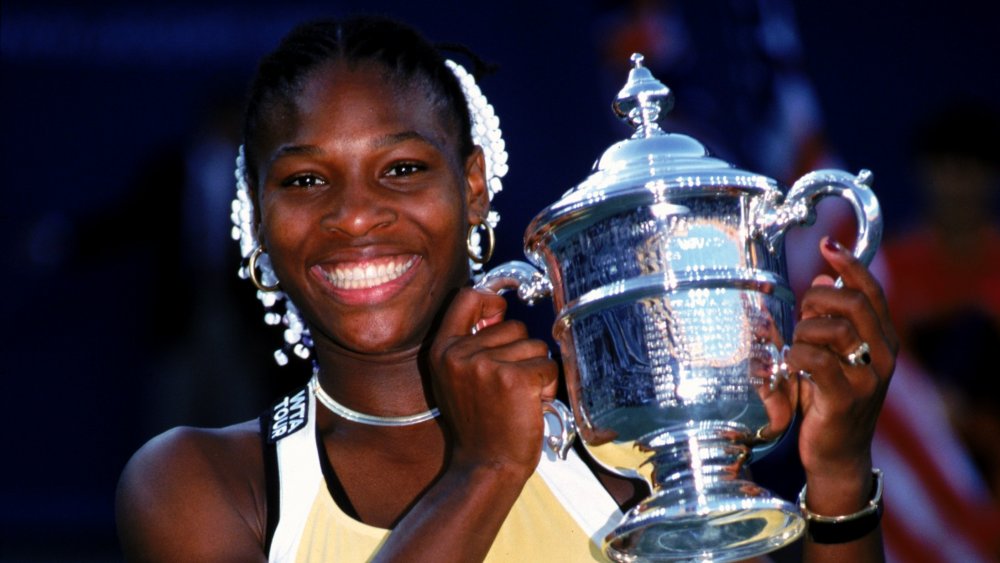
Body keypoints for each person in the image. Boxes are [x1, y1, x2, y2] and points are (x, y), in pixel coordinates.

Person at [115, 16, 897, 562]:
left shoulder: (616, 445)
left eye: (403, 169)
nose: (354, 215)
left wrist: (836, 479)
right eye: (306, 179)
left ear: (475, 186)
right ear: (257, 215)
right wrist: (484, 468)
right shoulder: (200, 484)